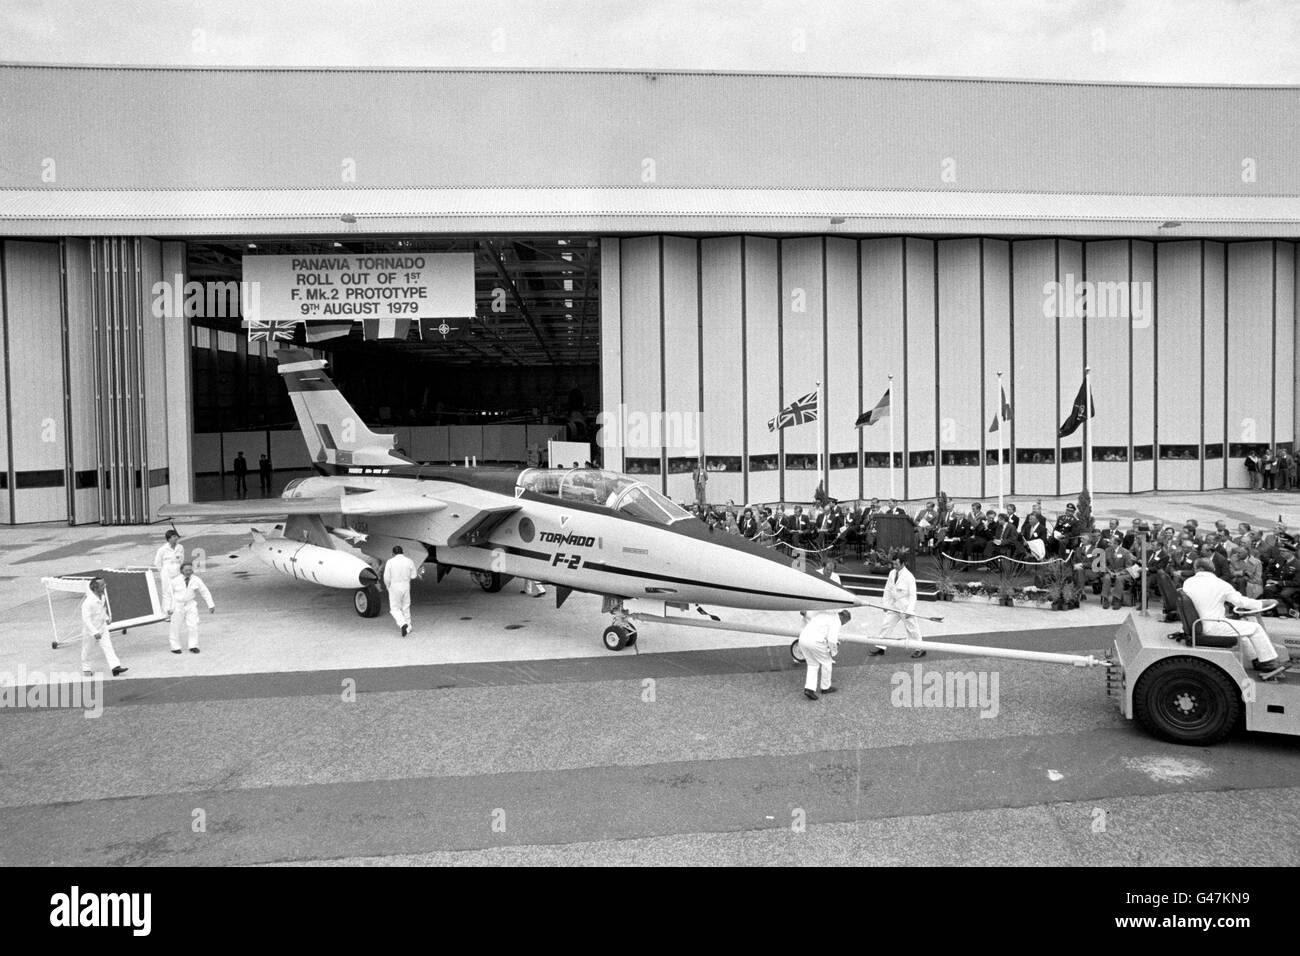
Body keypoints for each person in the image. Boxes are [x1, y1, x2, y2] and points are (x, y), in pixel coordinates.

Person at [1182, 558, 1285, 678]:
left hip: (1199, 623)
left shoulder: (1188, 582)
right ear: (1213, 569)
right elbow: (1242, 603)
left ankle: (1256, 660)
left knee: (1243, 631)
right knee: (1255, 628)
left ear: (1197, 569)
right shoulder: (1222, 585)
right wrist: (1264, 603)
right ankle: (1270, 664)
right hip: (1212, 625)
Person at [872, 552, 925, 657]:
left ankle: (920, 649)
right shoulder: (892, 573)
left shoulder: (909, 577)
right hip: (894, 606)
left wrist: (910, 610)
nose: (894, 566)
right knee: (886, 625)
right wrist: (885, 604)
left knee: (912, 629)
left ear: (903, 564)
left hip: (905, 608)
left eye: (896, 564)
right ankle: (881, 647)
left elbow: (913, 596)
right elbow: (887, 589)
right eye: (893, 564)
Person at [797, 608, 850, 700]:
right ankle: (825, 688)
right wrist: (833, 652)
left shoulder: (824, 613)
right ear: (844, 618)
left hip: (803, 639)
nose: (843, 624)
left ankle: (809, 689)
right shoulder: (836, 621)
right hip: (816, 642)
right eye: (844, 623)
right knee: (827, 663)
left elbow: (813, 621)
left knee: (812, 664)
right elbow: (832, 640)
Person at [81, 577, 127, 677]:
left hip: (102, 628)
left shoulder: (102, 597)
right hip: (91, 631)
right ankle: (86, 669)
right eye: (102, 585)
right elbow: (86, 619)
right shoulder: (88, 602)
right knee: (87, 650)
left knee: (108, 647)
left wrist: (106, 618)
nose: (105, 586)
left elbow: (101, 610)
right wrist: (94, 632)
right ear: (94, 588)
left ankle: (115, 667)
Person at [169, 561, 215, 653]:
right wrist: (169, 607)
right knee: (175, 627)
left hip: (190, 604)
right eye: (186, 570)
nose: (189, 572)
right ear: (182, 571)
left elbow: (204, 591)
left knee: (193, 625)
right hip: (178, 605)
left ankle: (193, 645)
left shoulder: (196, 580)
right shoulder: (175, 581)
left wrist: (210, 604)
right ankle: (175, 647)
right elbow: (169, 595)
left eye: (190, 570)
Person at [383, 545, 420, 636]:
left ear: (393, 553)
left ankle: (403, 624)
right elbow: (414, 576)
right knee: (406, 606)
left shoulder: (390, 562)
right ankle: (409, 627)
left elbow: (386, 577)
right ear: (403, 552)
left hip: (395, 586)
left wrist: (388, 587)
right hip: (406, 585)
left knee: (394, 609)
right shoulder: (409, 561)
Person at [153, 529, 185, 613]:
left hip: (177, 571)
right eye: (174, 537)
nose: (176, 538)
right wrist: (163, 572)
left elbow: (182, 560)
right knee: (167, 592)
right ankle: (166, 613)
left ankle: (175, 611)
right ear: (169, 539)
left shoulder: (180, 547)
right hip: (166, 572)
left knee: (177, 591)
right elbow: (157, 563)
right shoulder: (162, 549)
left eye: (176, 536)